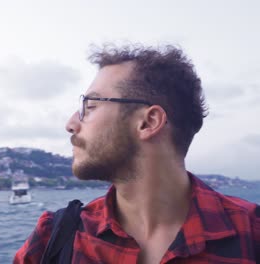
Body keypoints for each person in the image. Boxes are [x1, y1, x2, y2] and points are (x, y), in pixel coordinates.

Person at [14, 44, 260, 263]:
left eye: (90, 107)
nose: (71, 123)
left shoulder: (253, 233)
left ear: (148, 122)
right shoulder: (56, 238)